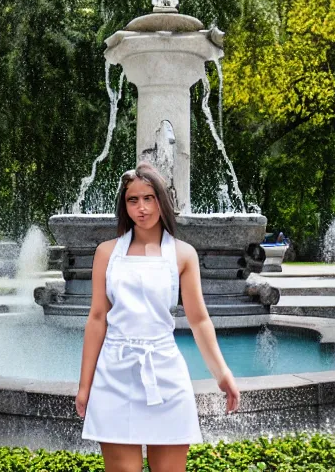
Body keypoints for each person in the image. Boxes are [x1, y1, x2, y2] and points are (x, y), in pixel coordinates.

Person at [76, 162, 240, 472]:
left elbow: (199, 320)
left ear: (162, 201)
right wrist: (85, 386)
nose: (141, 207)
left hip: (164, 372)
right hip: (115, 374)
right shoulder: (106, 253)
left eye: (149, 198)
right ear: (125, 206)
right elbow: (97, 318)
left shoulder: (182, 254)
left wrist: (223, 374)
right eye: (133, 200)